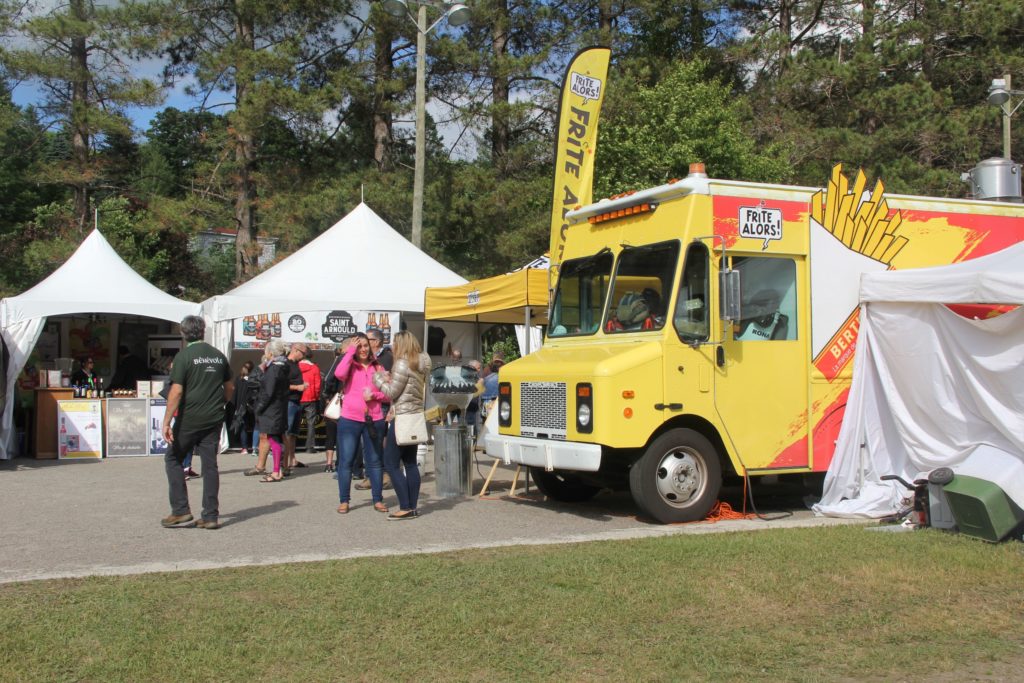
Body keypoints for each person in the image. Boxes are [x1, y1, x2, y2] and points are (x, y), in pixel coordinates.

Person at [160, 315, 233, 530]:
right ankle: (210, 515)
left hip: (189, 418)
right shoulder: (219, 356)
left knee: (173, 458)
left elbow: (176, 391)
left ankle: (181, 511)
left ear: (183, 333)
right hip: (213, 419)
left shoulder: (184, 357)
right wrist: (221, 404)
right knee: (210, 465)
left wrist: (166, 421)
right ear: (203, 331)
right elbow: (229, 388)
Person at [374, 331, 431, 520]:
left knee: (390, 463)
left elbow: (392, 392)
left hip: (402, 418)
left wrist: (379, 379)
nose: (392, 347)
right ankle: (412, 507)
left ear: (401, 344)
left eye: (394, 344)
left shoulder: (402, 363)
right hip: (415, 416)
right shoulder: (423, 362)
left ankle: (405, 506)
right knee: (410, 463)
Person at [333, 332, 388, 514]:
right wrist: (349, 353)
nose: (363, 349)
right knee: (346, 461)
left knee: (374, 461)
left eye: (366, 345)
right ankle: (344, 500)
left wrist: (375, 395)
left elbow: (388, 393)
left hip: (374, 419)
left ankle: (378, 499)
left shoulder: (378, 367)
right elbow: (338, 374)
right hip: (350, 419)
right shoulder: (350, 366)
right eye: (359, 346)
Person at [254, 341, 291, 483]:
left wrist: (259, 408)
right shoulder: (284, 367)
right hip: (279, 407)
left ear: (270, 354)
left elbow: (267, 393)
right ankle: (278, 469)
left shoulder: (273, 369)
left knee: (273, 440)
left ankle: (276, 471)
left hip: (271, 409)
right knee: (278, 439)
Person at [284, 342, 309, 471]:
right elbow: (281, 384)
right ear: (295, 350)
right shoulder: (285, 364)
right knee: (287, 433)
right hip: (288, 401)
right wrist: (297, 387)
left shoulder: (295, 365)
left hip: (296, 401)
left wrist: (301, 384)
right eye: (303, 353)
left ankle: (292, 459)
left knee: (293, 433)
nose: (304, 356)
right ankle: (285, 463)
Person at [229, 361, 256, 454]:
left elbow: (234, 395)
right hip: (249, 407)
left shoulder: (238, 379)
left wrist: (234, 406)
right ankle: (253, 446)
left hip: (240, 407)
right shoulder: (252, 380)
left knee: (242, 427)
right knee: (252, 426)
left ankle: (244, 447)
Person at [298, 349, 322, 455]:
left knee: (293, 423)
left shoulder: (295, 366)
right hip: (311, 398)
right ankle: (309, 447)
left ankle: (291, 445)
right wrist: (316, 396)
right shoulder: (315, 368)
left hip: (297, 398)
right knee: (311, 424)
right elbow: (318, 385)